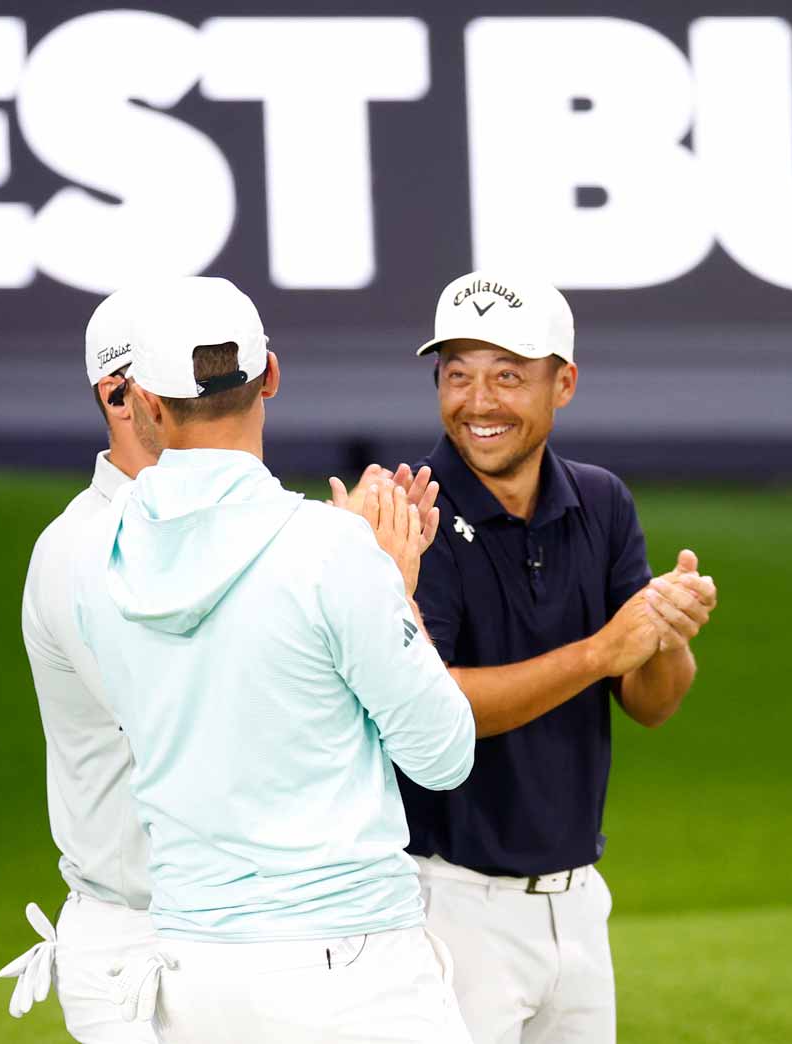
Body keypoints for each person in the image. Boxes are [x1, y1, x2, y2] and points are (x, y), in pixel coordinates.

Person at [72, 275, 478, 1043]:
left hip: (194, 973)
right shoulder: (333, 552)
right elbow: (444, 754)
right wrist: (395, 588)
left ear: (149, 404)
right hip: (353, 972)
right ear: (271, 375)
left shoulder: (98, 557)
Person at [400, 270, 718, 1044]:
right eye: (457, 375)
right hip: (448, 904)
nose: (478, 403)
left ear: (563, 383)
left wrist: (666, 631)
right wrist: (600, 651)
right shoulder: (413, 510)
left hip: (578, 901)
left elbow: (651, 702)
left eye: (508, 376)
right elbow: (434, 708)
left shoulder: (601, 502)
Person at [0, 286, 164, 1041]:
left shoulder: (252, 529)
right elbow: (184, 718)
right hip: (139, 948)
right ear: (118, 394)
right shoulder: (77, 550)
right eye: (188, 378)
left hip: (247, 935)